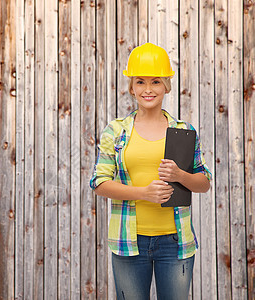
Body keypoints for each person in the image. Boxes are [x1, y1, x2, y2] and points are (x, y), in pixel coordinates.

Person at [89, 43, 212, 300]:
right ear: (131, 87)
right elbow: (99, 182)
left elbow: (203, 182)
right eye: (140, 82)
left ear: (166, 86)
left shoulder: (183, 130)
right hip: (129, 242)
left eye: (155, 81)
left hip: (175, 243)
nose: (148, 89)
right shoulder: (117, 131)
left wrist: (180, 175)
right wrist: (143, 193)